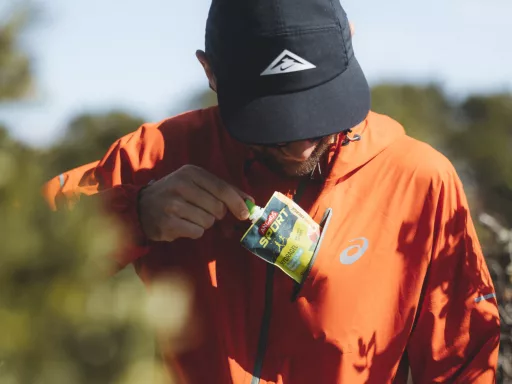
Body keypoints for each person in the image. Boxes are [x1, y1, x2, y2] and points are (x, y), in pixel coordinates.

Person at [43, 0, 500, 383]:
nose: (302, 144)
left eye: (317, 106)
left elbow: (464, 365)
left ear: (350, 41)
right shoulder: (154, 158)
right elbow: (20, 252)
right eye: (275, 122)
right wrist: (132, 215)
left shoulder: (419, 179)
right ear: (210, 72)